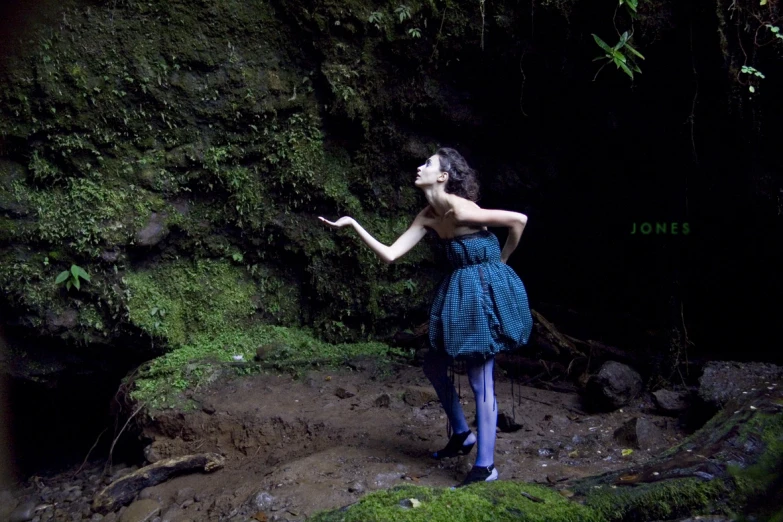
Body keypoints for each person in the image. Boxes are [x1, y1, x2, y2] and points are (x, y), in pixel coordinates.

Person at [318, 147, 533, 487]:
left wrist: (501, 262)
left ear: (443, 176)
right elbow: (390, 254)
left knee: (480, 379)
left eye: (428, 164)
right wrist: (353, 225)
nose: (420, 167)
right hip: (462, 290)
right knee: (434, 364)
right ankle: (462, 434)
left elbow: (518, 221)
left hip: (487, 290)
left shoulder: (462, 209)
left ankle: (486, 466)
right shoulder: (429, 215)